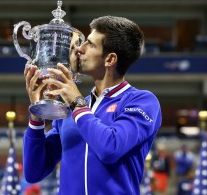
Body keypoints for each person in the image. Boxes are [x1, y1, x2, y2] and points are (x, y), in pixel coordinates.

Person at [23, 15, 162, 195]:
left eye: (90, 44)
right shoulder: (73, 107)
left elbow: (110, 148)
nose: (79, 49)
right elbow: (34, 172)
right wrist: (37, 114)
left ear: (110, 59)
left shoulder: (142, 101)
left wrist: (77, 103)